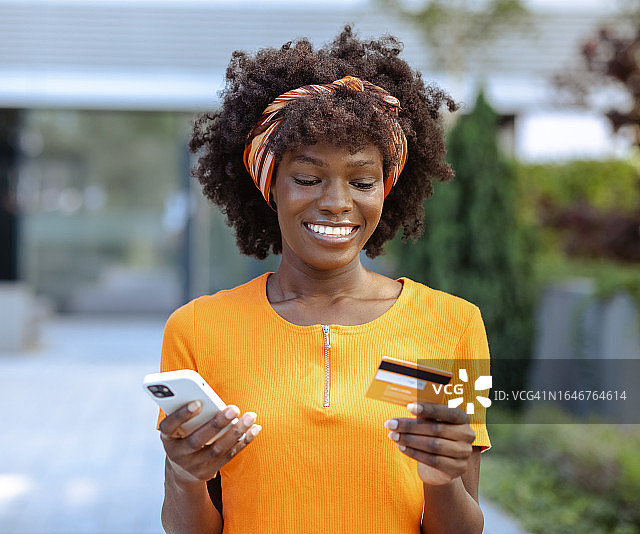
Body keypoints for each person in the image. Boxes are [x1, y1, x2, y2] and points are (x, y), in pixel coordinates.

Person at [156, 26, 490, 534]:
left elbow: (465, 528)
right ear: (270, 185)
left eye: (361, 181)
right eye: (308, 178)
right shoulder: (198, 329)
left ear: (388, 189)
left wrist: (442, 483)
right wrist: (185, 478)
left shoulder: (453, 325)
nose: (337, 201)